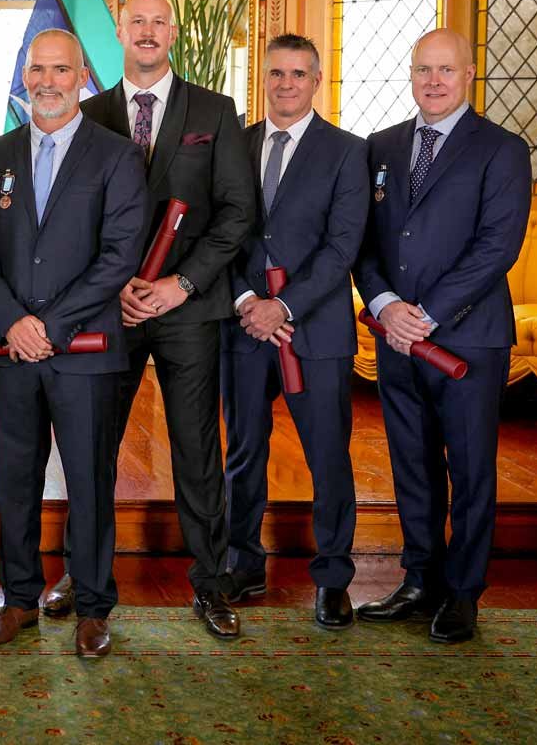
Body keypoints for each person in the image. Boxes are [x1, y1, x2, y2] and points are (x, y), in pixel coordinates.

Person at [71, 0, 256, 639]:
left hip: (188, 308)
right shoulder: (87, 114)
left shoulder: (215, 111)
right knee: (92, 448)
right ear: (118, 31)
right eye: (136, 22)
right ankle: (83, 573)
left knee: (197, 450)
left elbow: (236, 212)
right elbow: (76, 219)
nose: (147, 32)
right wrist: (114, 284)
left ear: (173, 31)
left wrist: (182, 282)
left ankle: (212, 583)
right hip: (112, 308)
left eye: (158, 22)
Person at [0, 30, 148, 659]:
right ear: (23, 75)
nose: (46, 81)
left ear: (82, 77)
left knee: (90, 480)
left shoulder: (117, 156)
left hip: (87, 350)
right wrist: (13, 321)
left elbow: (119, 254)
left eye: (59, 70)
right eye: (35, 69)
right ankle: (18, 598)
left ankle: (95, 608)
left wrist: (52, 325)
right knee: (15, 479)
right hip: (13, 351)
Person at [353, 28, 530, 644]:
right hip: (394, 337)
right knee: (412, 464)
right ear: (411, 72)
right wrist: (384, 305)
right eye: (424, 68)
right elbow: (366, 243)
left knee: (471, 468)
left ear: (469, 74)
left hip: (467, 338)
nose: (434, 80)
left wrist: (425, 312)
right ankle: (419, 578)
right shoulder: (381, 146)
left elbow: (497, 248)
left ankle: (462, 592)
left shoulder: (501, 149)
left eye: (446, 70)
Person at [220, 34, 368, 629]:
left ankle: (333, 576)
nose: (286, 84)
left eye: (298, 74)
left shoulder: (347, 151)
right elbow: (219, 231)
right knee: (244, 451)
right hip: (243, 327)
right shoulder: (236, 144)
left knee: (328, 456)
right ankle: (243, 562)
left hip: (315, 332)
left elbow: (342, 247)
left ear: (316, 80)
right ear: (264, 77)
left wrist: (283, 307)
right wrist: (246, 299)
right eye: (276, 73)